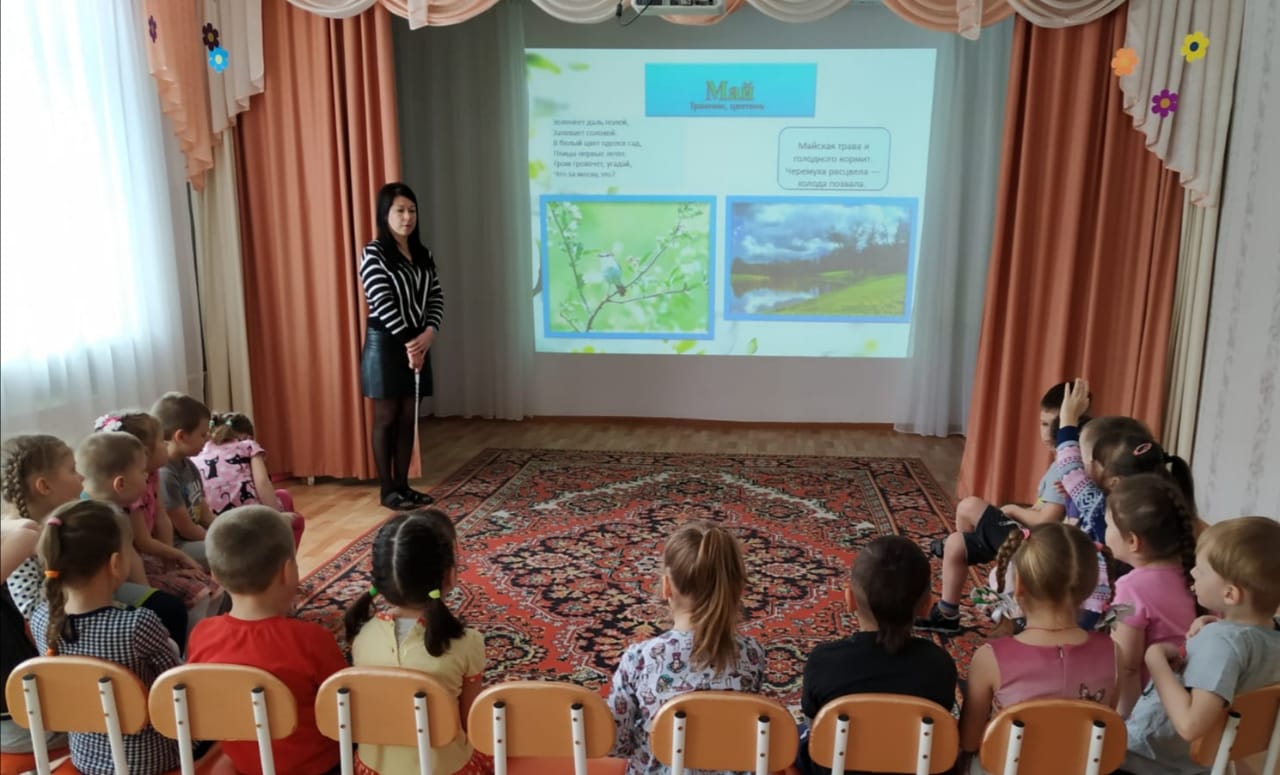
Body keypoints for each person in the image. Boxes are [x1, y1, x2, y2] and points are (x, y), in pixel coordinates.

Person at [30, 500, 186, 775]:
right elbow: (176, 690)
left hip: (86, 756)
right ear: (116, 563)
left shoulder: (42, 619)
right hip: (150, 758)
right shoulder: (137, 624)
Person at [187, 506, 346, 775]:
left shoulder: (202, 635)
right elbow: (344, 707)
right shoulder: (311, 639)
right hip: (317, 765)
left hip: (247, 764)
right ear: (287, 571)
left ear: (214, 575)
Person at [3, 433, 190, 652]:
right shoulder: (20, 543)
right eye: (72, 470)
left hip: (98, 592)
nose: (82, 477)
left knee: (169, 608)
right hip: (68, 617)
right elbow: (32, 612)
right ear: (44, 486)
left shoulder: (75, 515)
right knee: (159, 616)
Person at [607, 520, 766, 775]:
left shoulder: (639, 658)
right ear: (737, 589)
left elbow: (616, 743)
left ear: (666, 587)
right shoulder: (752, 654)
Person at [1123, 517, 1280, 775]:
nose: (1193, 572)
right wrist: (1219, 628)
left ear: (1230, 594)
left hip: (1146, 760)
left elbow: (1190, 725)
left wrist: (1155, 661)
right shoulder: (1269, 636)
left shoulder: (1222, 643)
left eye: (1201, 569)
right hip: (1205, 764)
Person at [917, 384, 1072, 634]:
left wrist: (1013, 510)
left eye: (1055, 426)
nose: (1047, 433)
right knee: (956, 543)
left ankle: (976, 548)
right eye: (1043, 424)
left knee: (969, 505)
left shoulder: (1066, 465)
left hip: (1038, 547)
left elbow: (1046, 520)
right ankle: (947, 613)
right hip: (1031, 538)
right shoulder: (1060, 462)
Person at [344, 509, 490, 775]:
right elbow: (473, 723)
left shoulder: (362, 637)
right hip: (446, 768)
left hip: (372, 767)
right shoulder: (467, 642)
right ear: (450, 575)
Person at [959, 523, 1119, 763]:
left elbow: (969, 741)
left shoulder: (990, 658)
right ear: (1090, 588)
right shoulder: (1114, 653)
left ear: (1019, 585)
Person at [797, 536, 956, 775]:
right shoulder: (940, 665)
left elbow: (815, 730)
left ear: (849, 599)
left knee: (793, 736)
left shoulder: (823, 661)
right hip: (912, 767)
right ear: (927, 606)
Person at [359, 182, 444, 510]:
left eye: (412, 210)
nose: (407, 217)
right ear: (385, 214)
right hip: (386, 344)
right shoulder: (374, 253)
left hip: (419, 342)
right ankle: (387, 490)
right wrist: (411, 344)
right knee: (387, 417)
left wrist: (430, 333)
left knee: (410, 417)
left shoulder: (423, 253)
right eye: (400, 211)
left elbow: (436, 296)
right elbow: (382, 303)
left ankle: (404, 486)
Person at [94, 412, 221, 623]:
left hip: (151, 557)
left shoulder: (151, 476)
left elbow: (162, 517)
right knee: (198, 591)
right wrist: (172, 562)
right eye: (162, 441)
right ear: (143, 453)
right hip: (136, 566)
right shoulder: (130, 493)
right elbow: (141, 544)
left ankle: (210, 631)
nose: (167, 445)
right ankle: (194, 638)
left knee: (209, 586)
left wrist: (170, 563)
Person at [1103, 473, 1198, 717]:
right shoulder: (1200, 578)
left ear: (1133, 541)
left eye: (1108, 525)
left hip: (1151, 717)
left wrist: (1125, 724)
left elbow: (1126, 666)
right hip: (1196, 708)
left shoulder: (1128, 589)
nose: (1106, 531)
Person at [192, 411, 305, 547]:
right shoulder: (248, 446)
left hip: (213, 526)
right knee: (291, 511)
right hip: (250, 521)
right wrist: (278, 518)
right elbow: (262, 483)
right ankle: (282, 557)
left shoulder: (197, 453)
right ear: (248, 436)